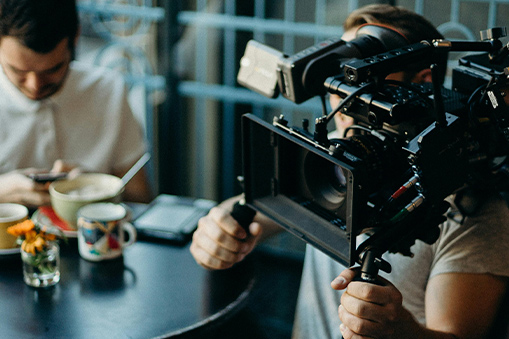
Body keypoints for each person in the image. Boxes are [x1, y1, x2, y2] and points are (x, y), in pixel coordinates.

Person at [190, 4, 509, 339]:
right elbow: (260, 207)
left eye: (360, 82)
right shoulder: (332, 153)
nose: (341, 103)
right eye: (337, 80)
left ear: (423, 83)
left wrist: (399, 329)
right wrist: (220, 228)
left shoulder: (477, 213)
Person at [0, 0, 152, 208]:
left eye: (52, 70)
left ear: (76, 37)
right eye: (19, 71)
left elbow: (140, 197)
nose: (35, 85)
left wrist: (96, 186)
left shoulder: (107, 90)